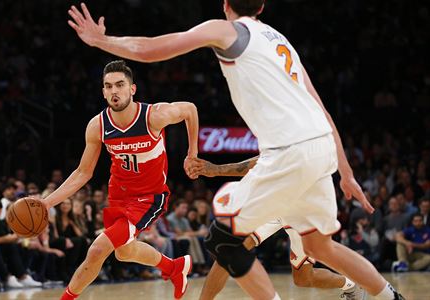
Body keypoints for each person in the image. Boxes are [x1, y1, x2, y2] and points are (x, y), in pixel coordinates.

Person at [67, 2, 404, 299]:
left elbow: (156, 48)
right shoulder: (280, 41)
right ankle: (390, 297)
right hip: (320, 149)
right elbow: (322, 110)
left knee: (224, 241)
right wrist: (346, 173)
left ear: (226, 5)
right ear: (262, 7)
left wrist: (102, 41)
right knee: (320, 247)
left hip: (288, 151)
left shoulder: (227, 29)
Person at [42, 60, 199, 299]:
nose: (114, 91)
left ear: (132, 89)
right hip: (119, 195)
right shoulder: (98, 126)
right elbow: (83, 173)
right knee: (123, 253)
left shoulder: (153, 116)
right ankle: (174, 268)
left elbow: (190, 109)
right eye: (108, 86)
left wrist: (192, 153)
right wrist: (46, 203)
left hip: (149, 196)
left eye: (120, 85)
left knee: (97, 249)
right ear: (103, 92)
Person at [188, 156, 364, 300]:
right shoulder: (279, 131)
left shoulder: (305, 135)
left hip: (303, 210)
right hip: (276, 203)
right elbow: (263, 161)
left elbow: (263, 162)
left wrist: (218, 170)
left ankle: (350, 285)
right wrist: (217, 170)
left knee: (303, 278)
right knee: (231, 247)